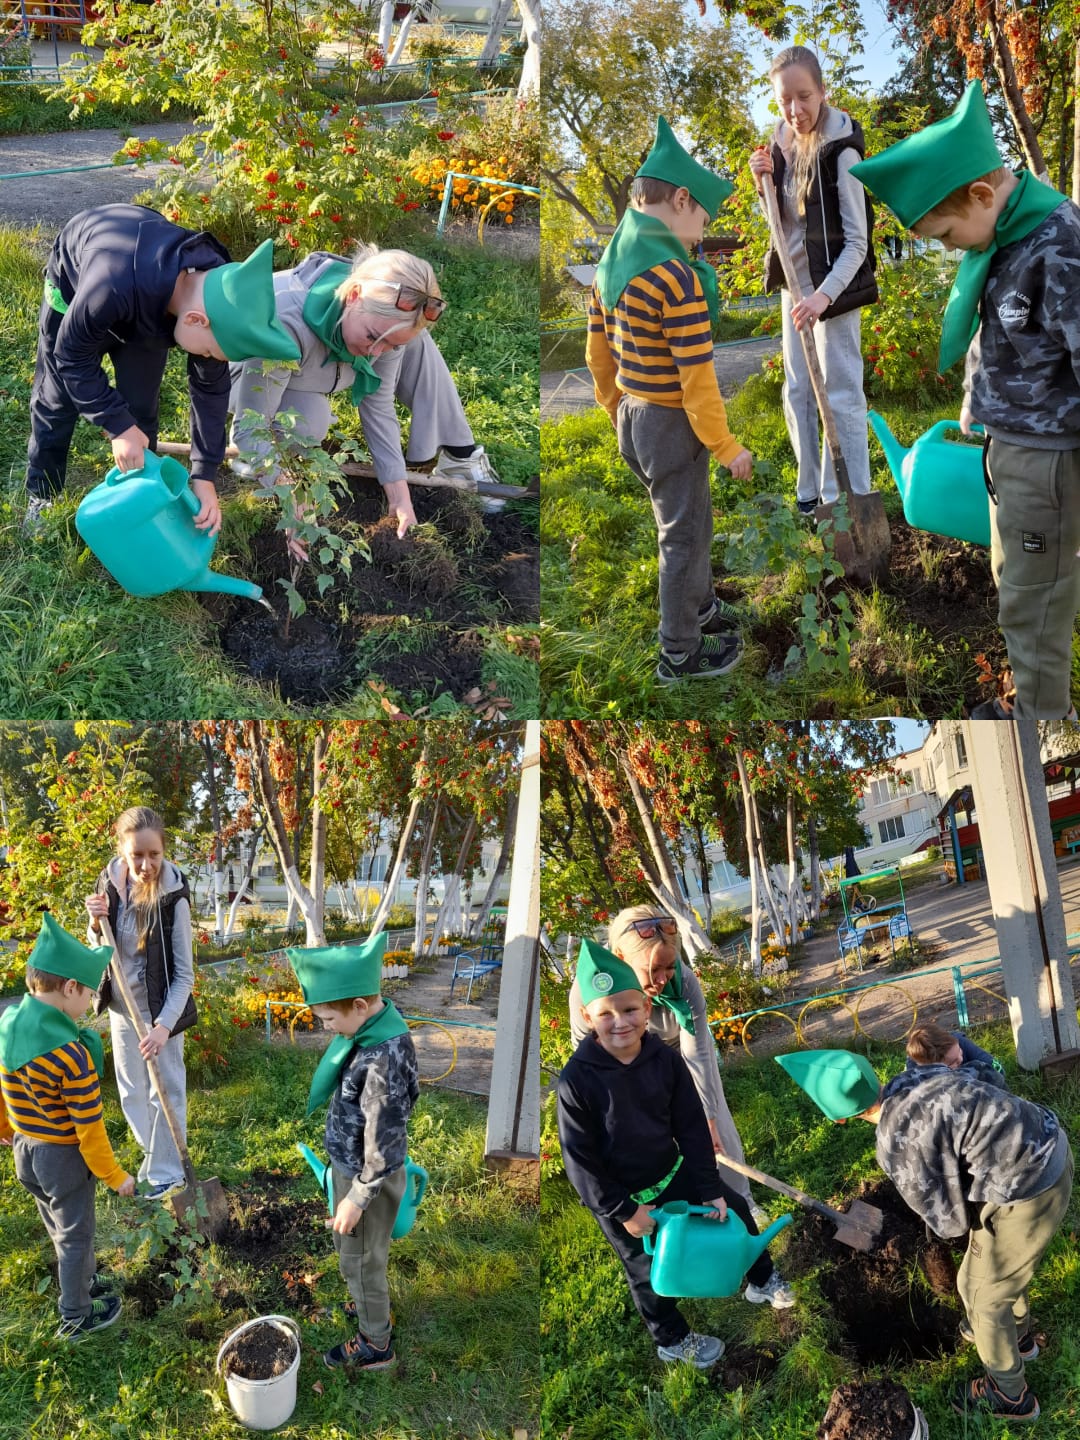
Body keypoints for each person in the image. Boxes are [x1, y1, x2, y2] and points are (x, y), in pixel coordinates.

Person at [849, 82, 1080, 721]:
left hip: (1046, 458)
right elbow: (992, 327)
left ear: (981, 194)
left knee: (1035, 599)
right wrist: (975, 394)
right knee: (1015, 580)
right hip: (1009, 449)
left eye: (948, 235)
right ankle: (1033, 696)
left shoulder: (1058, 243)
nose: (952, 248)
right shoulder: (1000, 235)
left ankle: (1041, 721)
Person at [778, 1047, 1073, 1422]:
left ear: (838, 1119)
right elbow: (986, 1076)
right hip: (1047, 1138)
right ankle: (1018, 1337)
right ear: (873, 1075)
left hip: (1030, 1185)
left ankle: (1009, 1396)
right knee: (996, 1273)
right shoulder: (917, 1073)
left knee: (980, 1294)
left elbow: (951, 1224)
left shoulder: (895, 1143)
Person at [558, 941, 795, 1372]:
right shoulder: (576, 1080)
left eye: (629, 1009)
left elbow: (691, 1127)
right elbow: (579, 1160)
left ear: (646, 1009)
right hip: (622, 1195)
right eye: (605, 1014)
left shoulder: (664, 1060)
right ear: (588, 1018)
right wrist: (625, 1211)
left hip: (671, 1173)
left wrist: (709, 1187)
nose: (620, 1022)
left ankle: (761, 1279)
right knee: (645, 1269)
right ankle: (672, 1338)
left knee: (737, 1209)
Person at [586, 116, 752, 685]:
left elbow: (597, 354)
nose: (700, 236)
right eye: (702, 221)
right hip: (674, 424)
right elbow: (697, 377)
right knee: (681, 536)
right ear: (681, 200)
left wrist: (615, 409)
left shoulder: (609, 266)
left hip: (635, 418)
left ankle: (699, 607)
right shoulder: (674, 276)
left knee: (692, 521)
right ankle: (679, 653)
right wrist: (725, 445)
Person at [24, 203, 300, 534]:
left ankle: (139, 498)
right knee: (56, 403)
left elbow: (210, 387)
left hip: (150, 310)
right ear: (195, 319)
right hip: (79, 293)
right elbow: (70, 356)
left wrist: (204, 474)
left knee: (140, 408)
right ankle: (43, 494)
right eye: (208, 351)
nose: (207, 358)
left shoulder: (215, 294)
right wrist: (117, 426)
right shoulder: (109, 284)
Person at [229, 244, 500, 551]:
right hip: (241, 374)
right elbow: (252, 424)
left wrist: (399, 497)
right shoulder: (287, 323)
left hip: (308, 368)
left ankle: (460, 455)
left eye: (389, 345)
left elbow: (378, 406)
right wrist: (291, 496)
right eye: (372, 337)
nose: (375, 352)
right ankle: (254, 455)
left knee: (414, 341)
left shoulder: (383, 328)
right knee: (308, 420)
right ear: (354, 295)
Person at [568, 904, 774, 1230]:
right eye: (654, 970)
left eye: (669, 966)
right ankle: (658, 1210)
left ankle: (742, 1201)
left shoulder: (684, 982)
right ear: (621, 957)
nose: (664, 978)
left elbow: (697, 1055)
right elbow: (589, 1059)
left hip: (676, 1050)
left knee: (715, 1124)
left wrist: (707, 1118)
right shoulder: (589, 990)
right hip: (618, 1065)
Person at [748, 45, 877, 518]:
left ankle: (849, 499)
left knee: (841, 394)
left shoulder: (842, 152)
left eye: (803, 96)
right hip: (795, 288)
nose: (795, 109)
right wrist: (762, 185)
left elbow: (858, 243)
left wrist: (823, 297)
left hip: (833, 291)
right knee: (799, 389)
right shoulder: (779, 143)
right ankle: (810, 496)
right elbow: (780, 227)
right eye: (784, 99)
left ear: (822, 91)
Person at [287, 931, 419, 1372]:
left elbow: (383, 1143)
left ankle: (375, 1342)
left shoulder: (382, 1061)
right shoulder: (371, 1034)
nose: (325, 1027)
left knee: (361, 1261)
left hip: (367, 1180)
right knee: (357, 1255)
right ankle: (368, 1305)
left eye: (328, 1019)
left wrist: (357, 1198)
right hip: (354, 1168)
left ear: (359, 1006)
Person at [0, 915, 136, 1340]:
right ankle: (75, 1314)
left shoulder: (8, 1024)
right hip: (62, 1159)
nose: (90, 1003)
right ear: (71, 987)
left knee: (59, 1226)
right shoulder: (71, 1056)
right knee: (77, 1234)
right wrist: (114, 1175)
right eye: (91, 994)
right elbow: (89, 1129)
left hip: (25, 1151)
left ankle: (82, 1279)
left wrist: (4, 1125)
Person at [85, 805, 196, 1201]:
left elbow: (185, 975)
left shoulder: (173, 899)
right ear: (122, 850)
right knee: (132, 1092)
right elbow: (100, 950)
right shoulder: (110, 885)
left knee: (165, 1091)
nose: (146, 865)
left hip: (160, 1012)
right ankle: (155, 1160)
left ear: (164, 851)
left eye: (154, 854)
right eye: (137, 855)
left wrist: (164, 1027)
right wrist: (94, 924)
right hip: (122, 1010)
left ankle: (170, 1173)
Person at [904, 1021, 1002, 1076]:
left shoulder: (961, 1042)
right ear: (931, 1067)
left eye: (959, 1051)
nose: (960, 1059)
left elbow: (996, 1068)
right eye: (953, 1062)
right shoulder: (915, 1069)